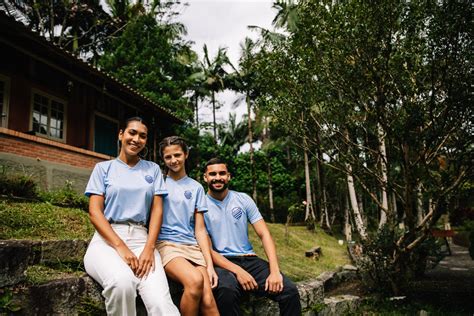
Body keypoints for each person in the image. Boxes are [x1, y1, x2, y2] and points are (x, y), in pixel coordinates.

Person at [83, 117, 179, 316]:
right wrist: (121, 248)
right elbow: (94, 212)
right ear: (121, 135)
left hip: (142, 239)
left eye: (142, 136)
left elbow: (157, 211)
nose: (136, 139)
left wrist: (149, 248)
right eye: (132, 133)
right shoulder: (103, 169)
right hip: (107, 240)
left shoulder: (152, 169)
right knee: (121, 283)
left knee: (161, 302)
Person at [203, 158, 301, 316]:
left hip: (249, 259)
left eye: (222, 173)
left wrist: (275, 271)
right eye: (212, 174)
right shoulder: (200, 205)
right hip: (221, 262)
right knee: (226, 291)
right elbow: (206, 249)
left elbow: (264, 234)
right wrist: (237, 271)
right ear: (205, 177)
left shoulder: (243, 199)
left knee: (289, 291)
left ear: (229, 176)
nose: (218, 177)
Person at [157, 136, 219, 316]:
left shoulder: (197, 187)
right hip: (166, 245)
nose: (173, 160)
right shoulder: (158, 183)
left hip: (192, 247)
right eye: (168, 157)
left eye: (177, 155)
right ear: (163, 159)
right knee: (194, 281)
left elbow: (200, 230)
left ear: (186, 154)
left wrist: (209, 265)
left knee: (209, 301)